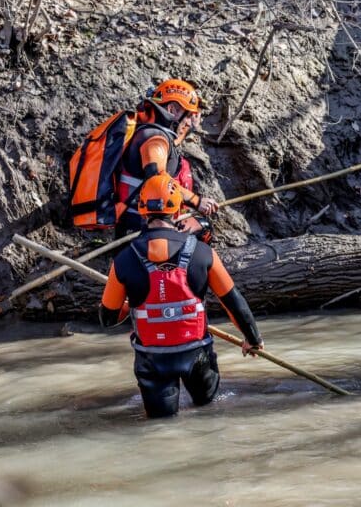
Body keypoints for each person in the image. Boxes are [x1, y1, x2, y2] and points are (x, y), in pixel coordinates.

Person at [99, 173, 264, 418]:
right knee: (209, 414)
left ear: (142, 211)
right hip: (197, 354)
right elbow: (233, 302)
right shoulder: (203, 253)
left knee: (161, 424)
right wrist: (252, 338)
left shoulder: (123, 260)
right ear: (177, 209)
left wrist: (132, 305)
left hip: (153, 359)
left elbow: (108, 318)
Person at [115, 78, 219, 237]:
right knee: (201, 230)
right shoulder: (154, 139)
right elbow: (158, 181)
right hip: (140, 228)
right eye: (188, 116)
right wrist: (197, 201)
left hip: (143, 222)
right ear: (172, 109)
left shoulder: (152, 134)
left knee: (200, 226)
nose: (189, 123)